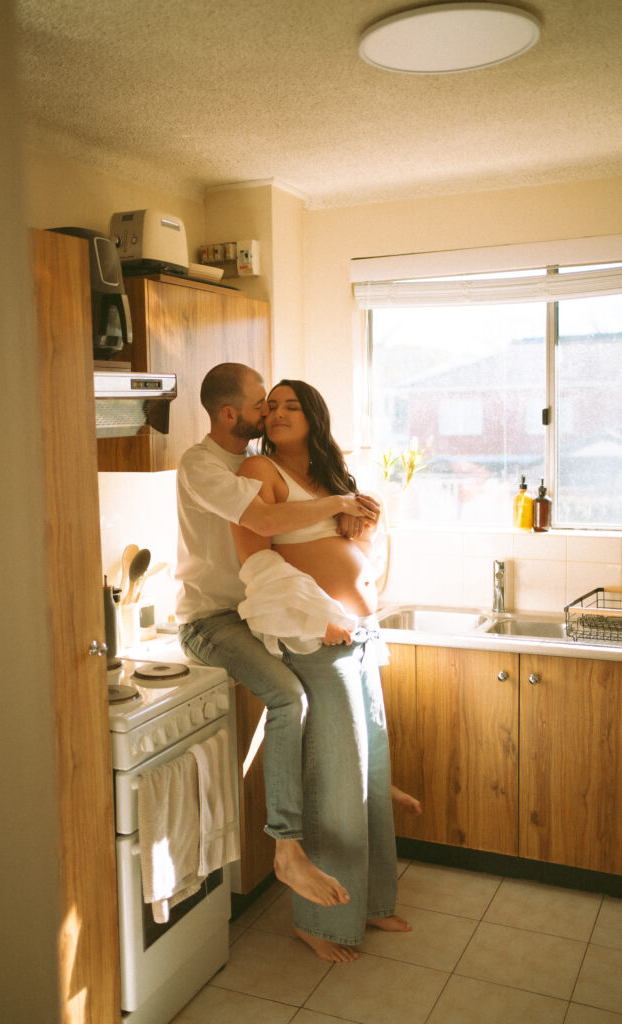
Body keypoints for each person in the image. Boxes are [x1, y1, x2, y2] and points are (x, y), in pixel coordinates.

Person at [175, 363, 380, 908]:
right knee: (288, 697)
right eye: (262, 403)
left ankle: (368, 783)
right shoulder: (203, 467)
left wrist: (347, 520)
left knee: (333, 720)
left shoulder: (250, 462)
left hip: (249, 615)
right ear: (230, 413)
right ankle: (287, 851)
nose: (269, 412)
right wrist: (339, 504)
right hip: (210, 621)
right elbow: (265, 526)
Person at [231, 378, 419, 962]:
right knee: (335, 780)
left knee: (366, 768)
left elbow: (356, 558)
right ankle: (319, 922)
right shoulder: (258, 475)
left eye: (293, 405)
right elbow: (256, 558)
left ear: (314, 417)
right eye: (273, 406)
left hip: (358, 634)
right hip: (316, 637)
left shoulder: (329, 478)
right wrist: (319, 616)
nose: (280, 413)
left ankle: (372, 901)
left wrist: (364, 526)